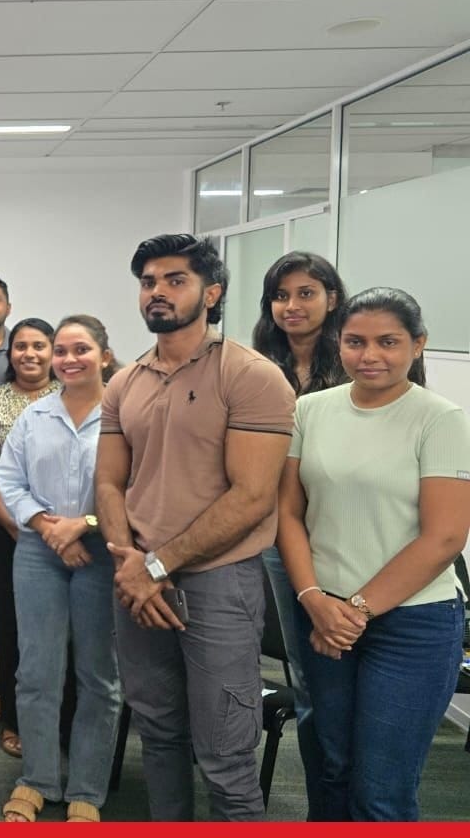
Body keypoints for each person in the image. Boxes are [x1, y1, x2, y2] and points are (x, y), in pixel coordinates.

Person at [96, 233, 294, 821]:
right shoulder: (125, 381)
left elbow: (254, 497)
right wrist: (130, 564)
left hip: (217, 585)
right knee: (158, 738)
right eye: (148, 282)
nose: (157, 292)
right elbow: (109, 485)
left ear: (212, 292)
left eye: (174, 280)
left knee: (226, 759)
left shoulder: (252, 376)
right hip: (137, 583)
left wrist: (155, 566)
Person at [277, 287, 470, 821]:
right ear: (338, 342)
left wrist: (354, 611)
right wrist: (315, 598)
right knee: (331, 767)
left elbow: (445, 538)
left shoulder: (440, 418)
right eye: (356, 341)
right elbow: (288, 513)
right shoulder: (309, 410)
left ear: (419, 344)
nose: (370, 356)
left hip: (412, 623)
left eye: (389, 342)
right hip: (323, 614)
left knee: (381, 788)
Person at [0, 315, 123, 823]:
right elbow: (8, 479)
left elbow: (136, 487)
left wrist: (84, 525)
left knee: (98, 676)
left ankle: (87, 790)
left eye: (81, 349)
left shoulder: (124, 414)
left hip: (102, 553)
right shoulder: (34, 415)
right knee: (36, 671)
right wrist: (51, 528)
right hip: (37, 553)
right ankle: (38, 779)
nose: (69, 359)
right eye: (61, 351)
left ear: (104, 356)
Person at [250, 251, 348, 820]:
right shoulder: (258, 365)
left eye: (306, 293)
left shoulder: (361, 355)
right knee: (312, 687)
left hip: (348, 538)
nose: (292, 306)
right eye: (281, 295)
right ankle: (325, 812)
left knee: (361, 689)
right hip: (279, 539)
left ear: (332, 298)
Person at [0, 317, 59, 758]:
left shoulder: (71, 397)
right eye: (21, 346)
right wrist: (13, 524)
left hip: (68, 529)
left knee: (69, 629)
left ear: (53, 350)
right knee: (15, 626)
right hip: (9, 531)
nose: (29, 354)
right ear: (10, 353)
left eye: (39, 345)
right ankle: (15, 720)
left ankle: (67, 718)